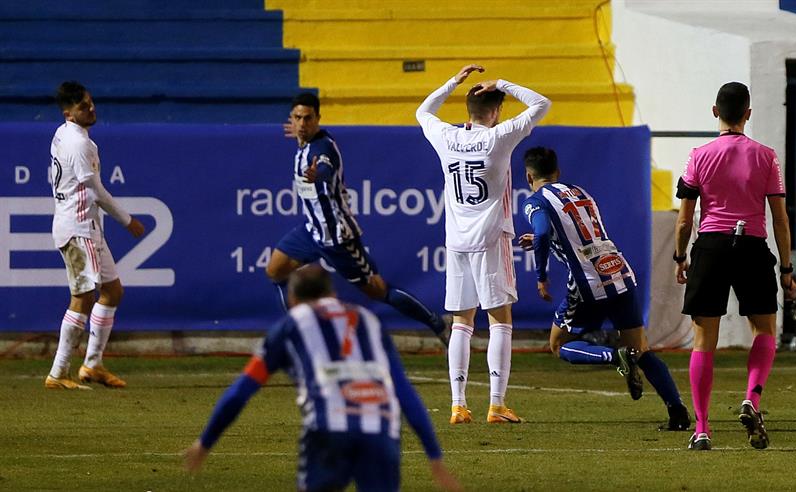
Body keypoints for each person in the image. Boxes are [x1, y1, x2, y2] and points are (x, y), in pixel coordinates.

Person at [184, 266, 460, 492]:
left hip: (328, 431)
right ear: (331, 291)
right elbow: (404, 391)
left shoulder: (290, 326)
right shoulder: (369, 320)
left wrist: (205, 441)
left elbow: (241, 391)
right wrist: (434, 454)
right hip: (381, 431)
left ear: (292, 299)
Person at [518, 147, 691, 431]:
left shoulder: (535, 202)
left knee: (558, 344)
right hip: (619, 270)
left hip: (588, 281)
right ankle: (678, 412)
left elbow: (541, 231)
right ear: (557, 173)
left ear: (528, 176)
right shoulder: (580, 192)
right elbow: (575, 232)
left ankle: (613, 356)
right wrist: (545, 239)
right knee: (641, 348)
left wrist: (541, 276)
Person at [416, 64, 550, 424]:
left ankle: (458, 404)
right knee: (500, 319)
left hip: (457, 242)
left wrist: (452, 83)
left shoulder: (446, 136)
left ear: (468, 111)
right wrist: (503, 81)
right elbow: (541, 104)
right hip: (492, 239)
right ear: (496, 111)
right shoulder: (499, 137)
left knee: (461, 320)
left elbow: (422, 111)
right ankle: (496, 403)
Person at [674, 82, 796, 450]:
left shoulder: (698, 155)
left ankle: (701, 429)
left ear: (715, 111)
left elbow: (685, 220)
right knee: (764, 330)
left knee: (703, 341)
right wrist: (786, 269)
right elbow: (780, 219)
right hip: (751, 246)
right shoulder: (766, 157)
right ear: (748, 113)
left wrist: (681, 258)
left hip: (711, 247)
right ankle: (752, 399)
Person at [267, 93, 449, 345]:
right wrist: (300, 135)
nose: (302, 123)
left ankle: (437, 323)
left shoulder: (322, 148)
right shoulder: (304, 142)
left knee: (378, 290)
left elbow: (325, 167)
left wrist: (316, 174)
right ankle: (300, 338)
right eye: (297, 118)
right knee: (275, 271)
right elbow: (305, 140)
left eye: (308, 118)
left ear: (318, 119)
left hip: (338, 236)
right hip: (312, 231)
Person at [45, 81, 145, 390]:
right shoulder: (78, 143)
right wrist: (127, 220)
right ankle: (59, 372)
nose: (91, 109)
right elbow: (95, 190)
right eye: (83, 107)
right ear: (69, 114)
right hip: (77, 229)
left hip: (88, 227)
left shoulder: (66, 134)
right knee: (84, 296)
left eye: (91, 103)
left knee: (112, 291)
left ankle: (92, 364)